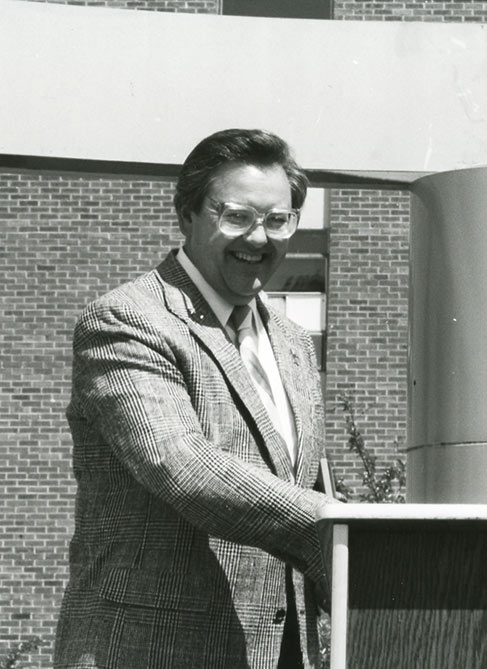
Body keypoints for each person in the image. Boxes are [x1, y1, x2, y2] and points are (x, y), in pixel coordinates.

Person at [54, 129, 338, 669]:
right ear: (187, 214)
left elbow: (301, 479)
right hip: (146, 653)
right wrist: (339, 528)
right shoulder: (128, 321)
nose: (260, 238)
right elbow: (180, 463)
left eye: (278, 220)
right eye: (237, 216)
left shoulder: (294, 342)